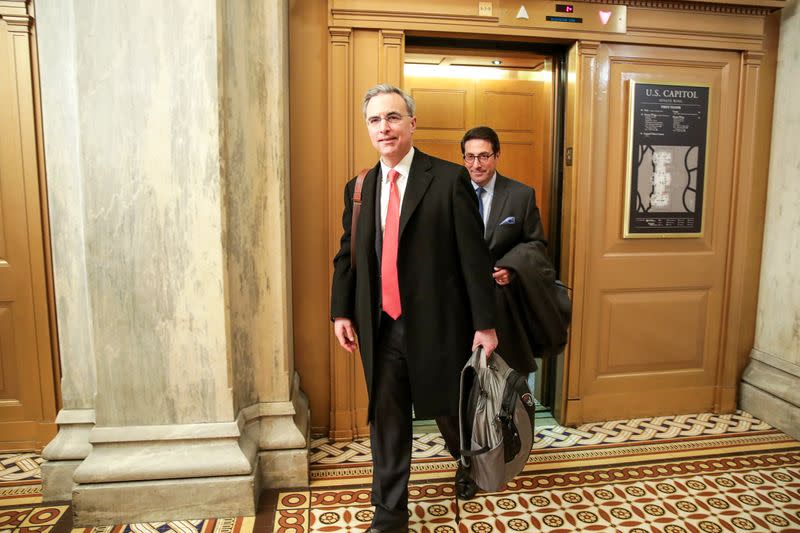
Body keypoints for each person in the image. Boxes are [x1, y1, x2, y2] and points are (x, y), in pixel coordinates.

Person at [330, 85, 498, 533]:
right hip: (381, 327)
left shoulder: (446, 179)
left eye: (392, 117)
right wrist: (341, 312)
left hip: (436, 326)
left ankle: (466, 460)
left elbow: (473, 256)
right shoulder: (359, 187)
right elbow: (348, 254)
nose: (384, 127)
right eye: (374, 120)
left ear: (411, 123)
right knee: (386, 420)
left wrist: (485, 323)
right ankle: (389, 516)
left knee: (447, 411)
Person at [461, 126, 548, 376]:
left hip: (505, 307)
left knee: (508, 380)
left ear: (497, 155)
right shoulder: (450, 194)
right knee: (464, 384)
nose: (476, 164)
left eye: (484, 156)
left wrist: (513, 267)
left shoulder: (521, 195)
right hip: (461, 304)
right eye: (470, 157)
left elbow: (536, 244)